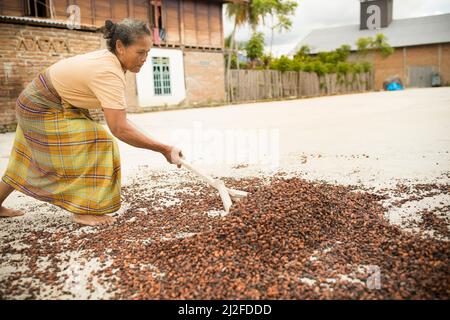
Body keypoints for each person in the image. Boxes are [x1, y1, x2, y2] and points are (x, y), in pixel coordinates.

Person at [0, 19, 183, 226]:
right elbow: (119, 129)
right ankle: (84, 210)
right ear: (120, 47)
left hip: (39, 99)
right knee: (100, 141)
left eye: (148, 52)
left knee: (25, 158)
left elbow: (123, 121)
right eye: (140, 52)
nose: (145, 59)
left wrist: (165, 147)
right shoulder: (108, 72)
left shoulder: (112, 62)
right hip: (41, 106)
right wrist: (163, 149)